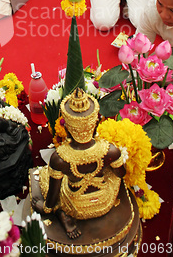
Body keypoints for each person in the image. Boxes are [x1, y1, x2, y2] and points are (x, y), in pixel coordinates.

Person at [32, 89, 125, 239]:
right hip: (104, 202)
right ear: (96, 122)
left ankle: (60, 213)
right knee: (112, 173)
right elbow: (121, 173)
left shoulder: (60, 157)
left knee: (44, 175)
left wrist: (47, 208)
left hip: (74, 206)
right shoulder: (109, 150)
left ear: (67, 127)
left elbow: (53, 195)